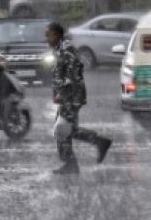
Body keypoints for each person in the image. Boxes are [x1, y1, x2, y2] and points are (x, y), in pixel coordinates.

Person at [46, 21, 112, 175]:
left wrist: (62, 93)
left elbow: (74, 72)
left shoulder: (66, 49)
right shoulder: (59, 49)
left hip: (71, 96)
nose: (46, 39)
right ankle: (71, 163)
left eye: (48, 36)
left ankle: (98, 143)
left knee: (62, 129)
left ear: (56, 35)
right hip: (69, 95)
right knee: (63, 129)